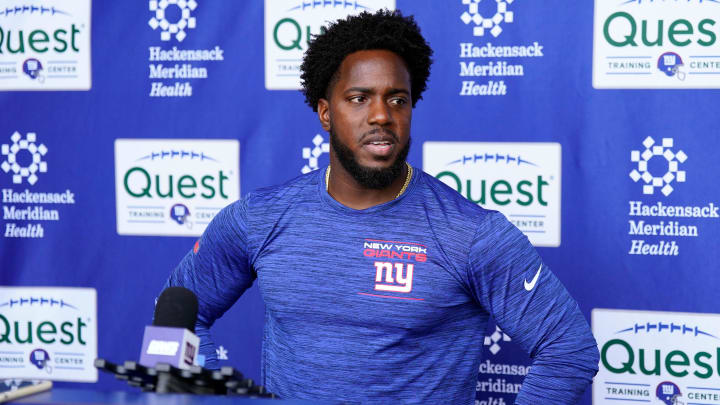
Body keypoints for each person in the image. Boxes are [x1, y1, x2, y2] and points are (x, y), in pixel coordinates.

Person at [163, 9, 599, 403]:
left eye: (398, 99)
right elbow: (173, 315)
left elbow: (570, 350)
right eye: (359, 98)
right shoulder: (259, 218)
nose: (381, 116)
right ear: (325, 112)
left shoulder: (471, 235)